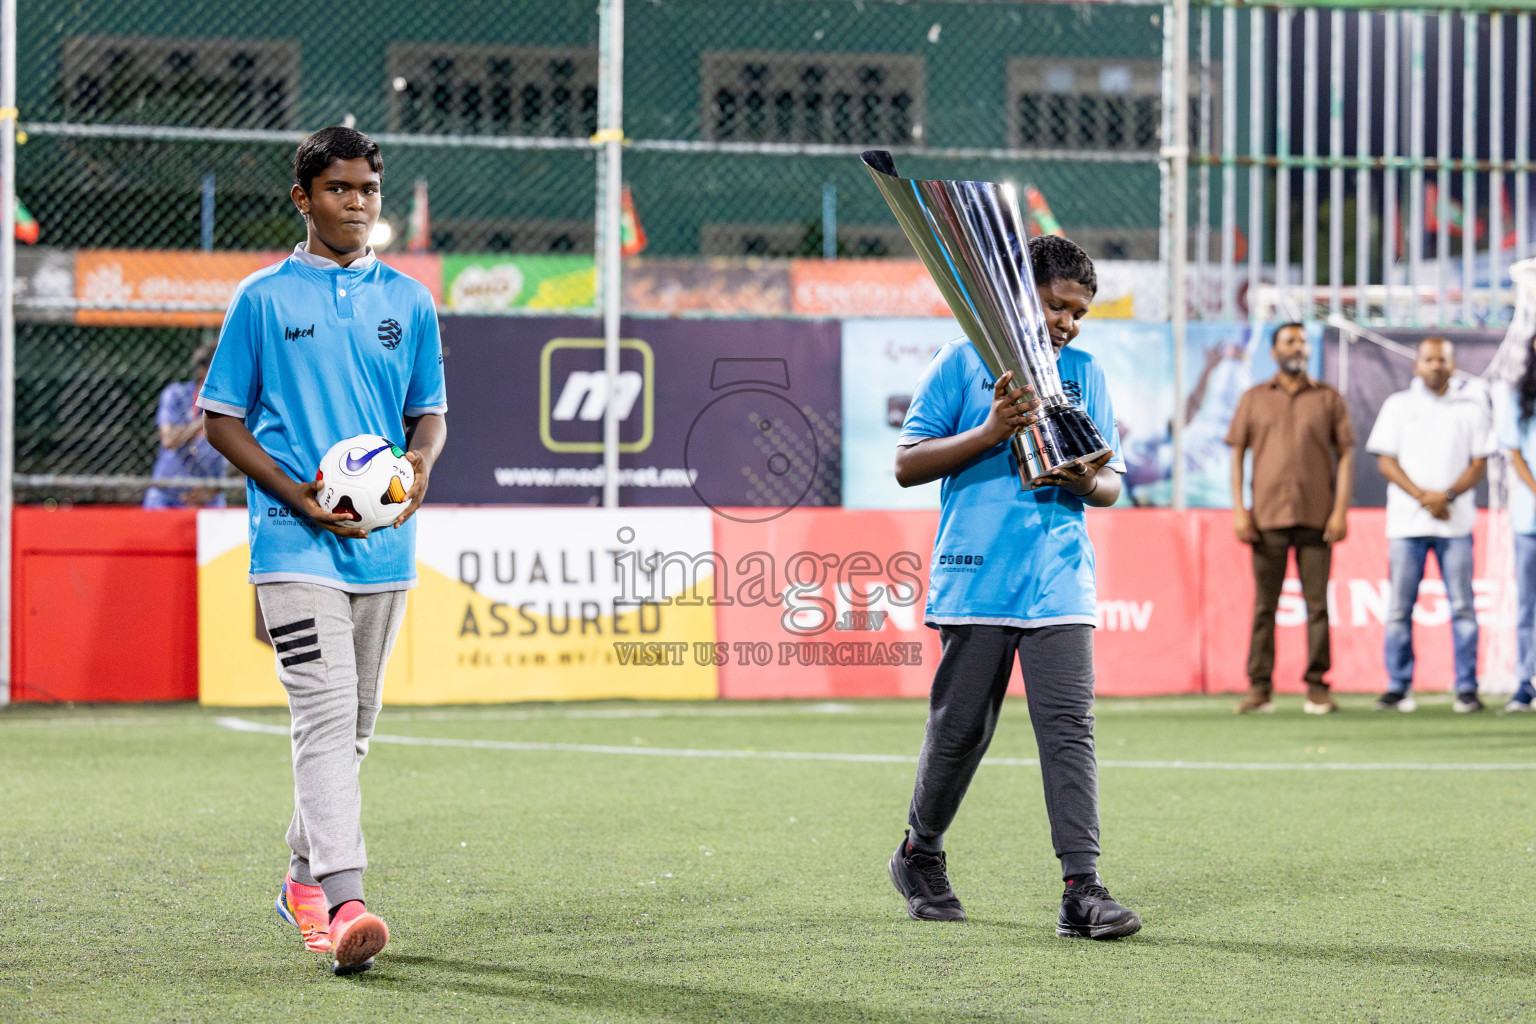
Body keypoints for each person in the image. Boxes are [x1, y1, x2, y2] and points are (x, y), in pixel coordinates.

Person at [198, 126, 448, 975]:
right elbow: (220, 417)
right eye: (339, 190)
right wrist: (296, 494)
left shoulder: (410, 301)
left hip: (383, 548)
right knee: (322, 716)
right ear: (303, 198)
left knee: (355, 727)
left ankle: (301, 878)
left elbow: (430, 412)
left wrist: (417, 465)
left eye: (368, 190)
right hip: (290, 541)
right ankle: (345, 899)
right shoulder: (263, 298)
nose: (357, 204)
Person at [888, 235, 1140, 940]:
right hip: (977, 577)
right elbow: (908, 463)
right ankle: (919, 853)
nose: (1069, 322)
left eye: (1080, 313)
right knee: (963, 729)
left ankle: (1081, 889)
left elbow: (1113, 484)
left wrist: (1084, 479)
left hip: (1060, 578)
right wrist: (993, 428)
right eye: (1058, 306)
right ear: (1022, 298)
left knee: (1068, 730)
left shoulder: (1085, 372)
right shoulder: (962, 359)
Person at [1227, 323, 1355, 715]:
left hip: (1318, 517)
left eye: (1301, 341)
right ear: (1274, 352)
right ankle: (1260, 688)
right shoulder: (1253, 398)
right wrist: (1238, 509)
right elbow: (1236, 454)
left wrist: (1340, 510)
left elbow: (1347, 454)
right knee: (1265, 606)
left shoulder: (1329, 398)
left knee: (1318, 606)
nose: (1298, 347)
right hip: (1265, 518)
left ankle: (1317, 687)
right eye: (1290, 341)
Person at [1366, 338, 1492, 713]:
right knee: (1399, 610)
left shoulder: (1472, 406)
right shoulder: (1398, 406)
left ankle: (1467, 688)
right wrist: (1424, 496)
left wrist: (1446, 496)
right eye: (1429, 359)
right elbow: (1386, 462)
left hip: (1454, 523)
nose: (1436, 365)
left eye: (1443, 359)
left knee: (1463, 607)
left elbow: (1479, 463)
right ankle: (1398, 686)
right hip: (1407, 523)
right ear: (1416, 365)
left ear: (1453, 365)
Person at [143, 341, 230, 509]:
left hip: (208, 498)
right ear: (204, 371)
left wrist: (214, 490)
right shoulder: (176, 394)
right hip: (165, 496)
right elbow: (169, 440)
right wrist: (209, 417)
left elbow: (246, 455)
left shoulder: (239, 405)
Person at [1499, 335, 1536, 713]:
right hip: (1530, 520)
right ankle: (1526, 683)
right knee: (1527, 606)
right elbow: (1514, 453)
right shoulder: (1520, 399)